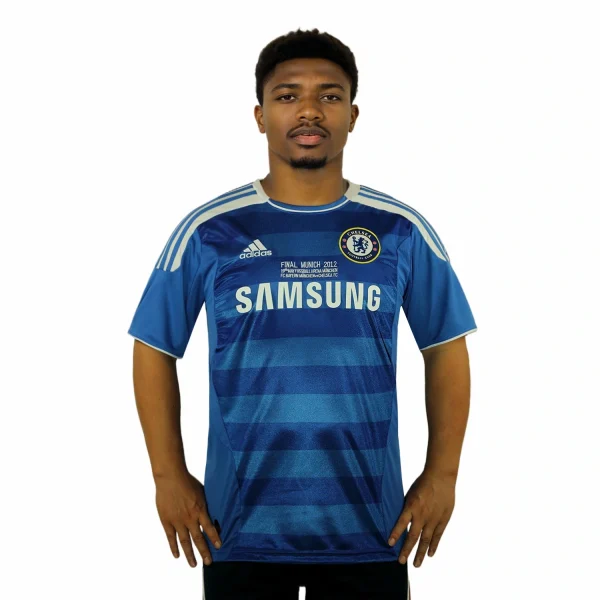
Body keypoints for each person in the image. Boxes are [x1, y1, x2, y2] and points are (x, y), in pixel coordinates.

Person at [128, 27, 477, 600]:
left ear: (353, 115)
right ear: (260, 115)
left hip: (373, 531)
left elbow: (445, 347)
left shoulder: (399, 229)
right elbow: (153, 347)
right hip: (238, 532)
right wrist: (168, 476)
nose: (309, 110)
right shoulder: (210, 231)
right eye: (288, 95)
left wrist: (443, 474)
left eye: (329, 96)